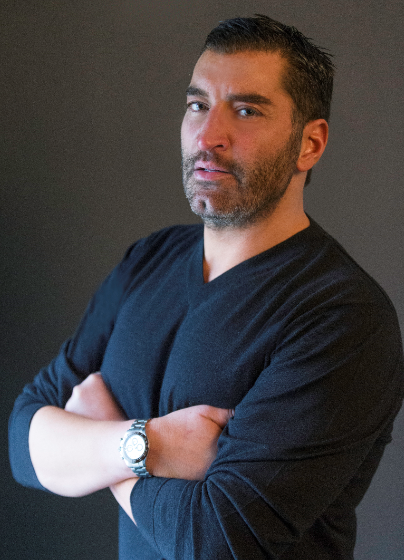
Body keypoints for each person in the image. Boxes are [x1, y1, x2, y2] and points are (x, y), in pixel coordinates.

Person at [9, 14, 404, 560]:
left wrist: (105, 443)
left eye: (246, 110)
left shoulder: (342, 316)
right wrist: (148, 445)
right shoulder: (147, 260)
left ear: (309, 144)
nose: (208, 135)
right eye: (198, 105)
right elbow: (24, 440)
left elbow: (217, 538)